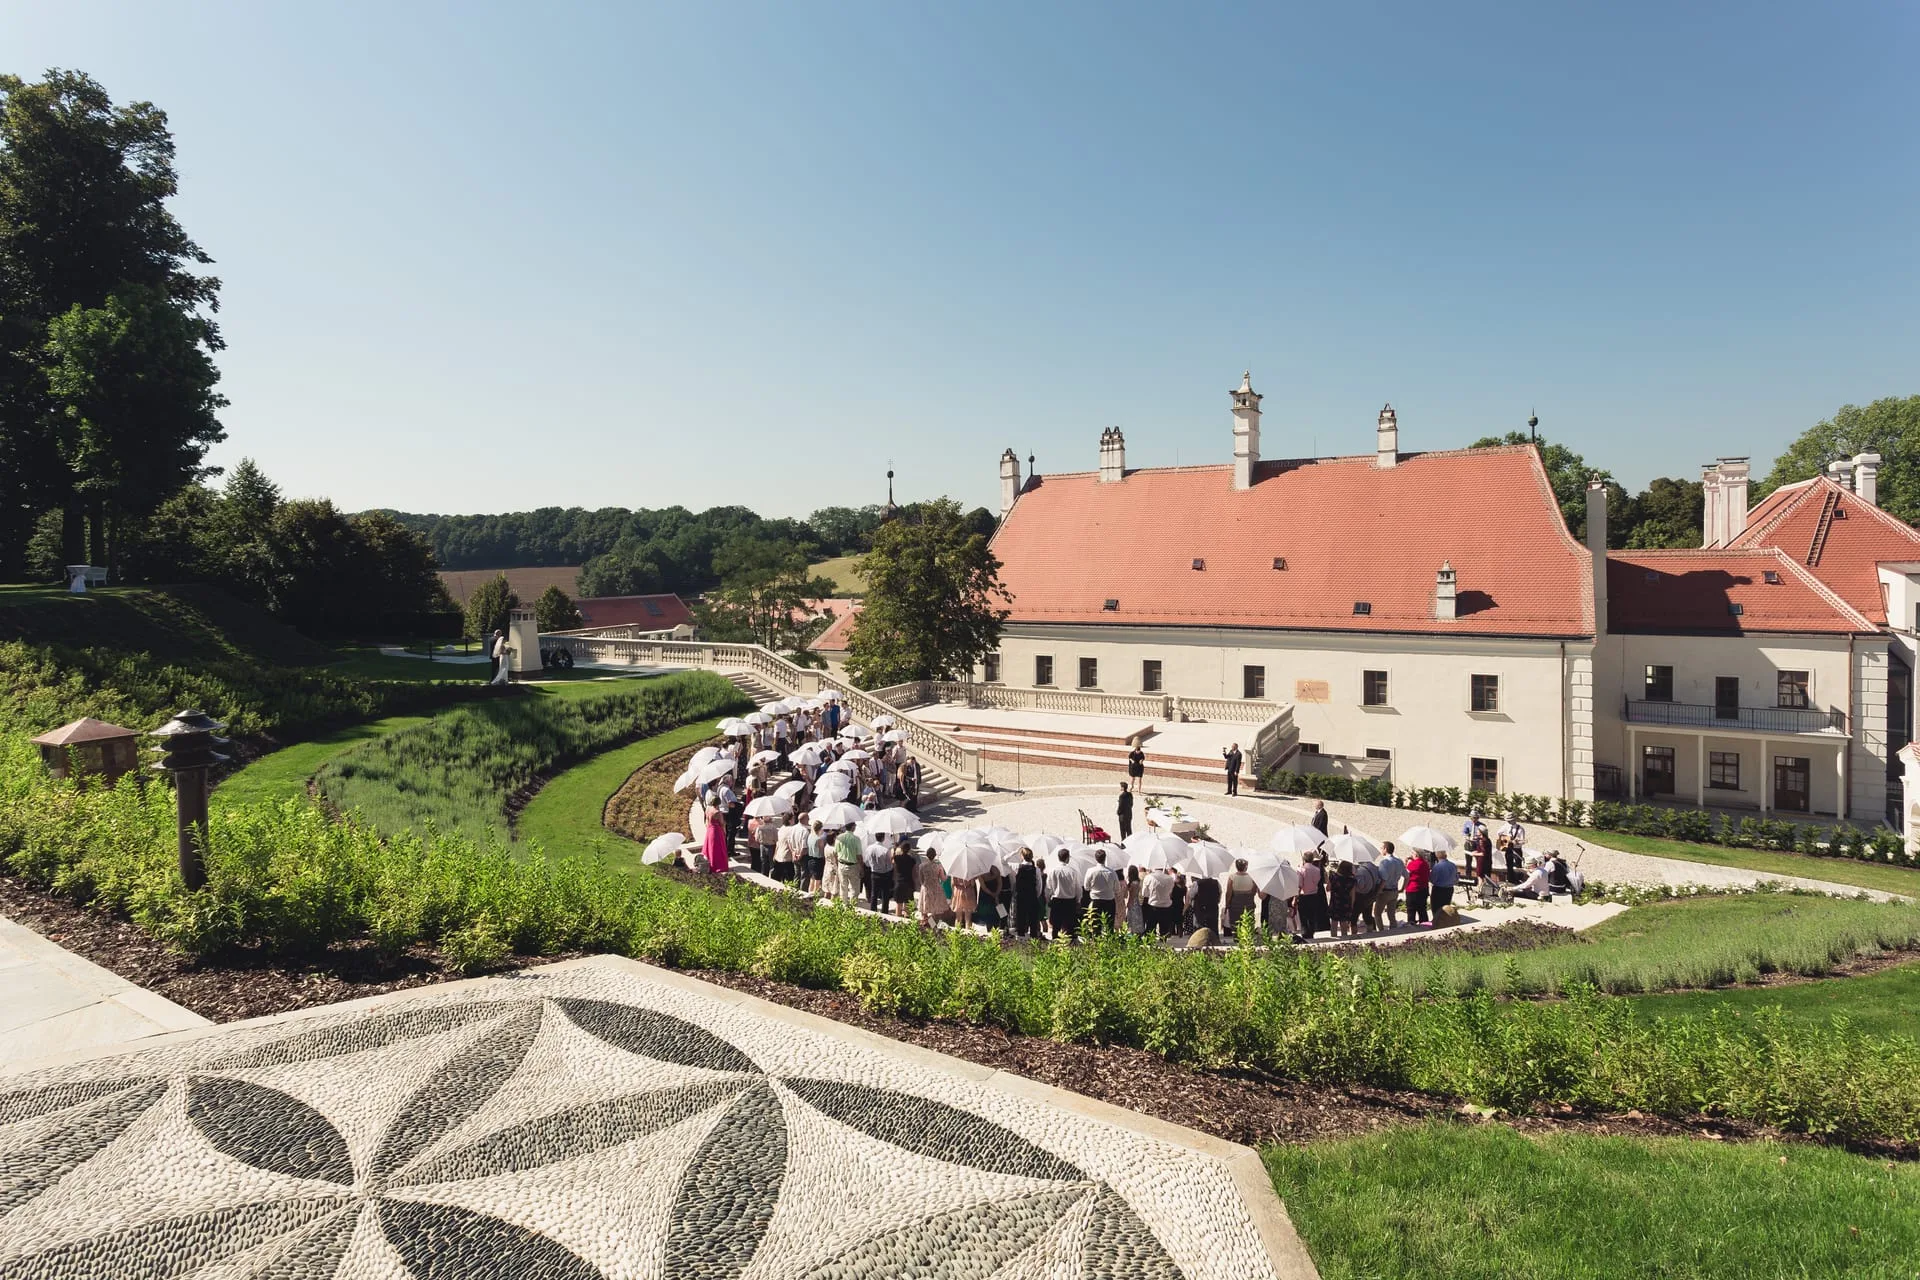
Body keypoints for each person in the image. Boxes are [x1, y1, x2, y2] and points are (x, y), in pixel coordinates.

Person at [1046, 849, 1083, 939]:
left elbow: (1048, 887)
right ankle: (1070, 945)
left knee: (1056, 926)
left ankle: (1055, 943)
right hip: (1069, 901)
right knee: (1069, 926)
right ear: (1067, 858)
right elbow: (1078, 888)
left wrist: (1048, 899)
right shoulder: (1073, 871)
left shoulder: (1053, 870)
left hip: (1057, 900)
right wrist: (1078, 900)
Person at [1083, 849, 1119, 932]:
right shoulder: (1112, 872)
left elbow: (1086, 887)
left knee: (1095, 926)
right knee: (1109, 926)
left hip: (1095, 901)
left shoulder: (1090, 871)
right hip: (1109, 901)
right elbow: (1117, 888)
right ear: (1105, 858)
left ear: (1095, 858)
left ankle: (1096, 943)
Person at [1012, 848, 1044, 938]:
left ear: (1022, 856)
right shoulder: (1036, 870)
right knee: (1033, 920)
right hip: (1032, 896)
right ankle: (1033, 939)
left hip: (1021, 896)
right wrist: (1036, 895)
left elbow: (1003, 861)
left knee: (1021, 919)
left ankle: (1021, 937)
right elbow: (1039, 885)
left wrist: (1015, 852)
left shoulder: (1017, 867)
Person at [1374, 841, 1406, 930]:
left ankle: (1381, 931)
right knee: (1391, 914)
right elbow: (1407, 876)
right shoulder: (1399, 861)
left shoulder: (1384, 862)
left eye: (1381, 848)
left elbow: (1384, 879)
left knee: (1377, 913)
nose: (1380, 850)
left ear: (1385, 849)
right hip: (1395, 890)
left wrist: (1378, 891)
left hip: (1385, 891)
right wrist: (1402, 888)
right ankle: (1393, 930)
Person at [1223, 859, 1260, 933]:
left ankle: (1237, 938)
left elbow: (1229, 893)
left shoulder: (1232, 877)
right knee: (1248, 921)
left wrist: (1227, 905)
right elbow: (1253, 892)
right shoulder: (1252, 877)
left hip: (1235, 903)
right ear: (1246, 867)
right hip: (1248, 902)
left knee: (1236, 922)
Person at [1143, 863, 1177, 937]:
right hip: (1166, 906)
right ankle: (1163, 943)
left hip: (1153, 905)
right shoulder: (1169, 878)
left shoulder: (1149, 877)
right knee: (1164, 930)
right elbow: (1170, 892)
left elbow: (1144, 894)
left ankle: (1149, 945)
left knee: (1150, 928)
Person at [915, 848, 948, 925]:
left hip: (926, 888)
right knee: (935, 910)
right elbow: (943, 879)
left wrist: (925, 884)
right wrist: (947, 875)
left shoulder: (922, 866)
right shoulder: (938, 866)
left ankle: (928, 925)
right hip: (936, 888)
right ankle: (933, 926)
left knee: (925, 910)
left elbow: (921, 879)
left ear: (926, 855)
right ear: (935, 855)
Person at [1296, 852, 1325, 939]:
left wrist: (1295, 897)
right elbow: (1317, 881)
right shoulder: (1317, 870)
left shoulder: (1301, 870)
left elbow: (1299, 885)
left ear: (1304, 859)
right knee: (1312, 915)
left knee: (1303, 916)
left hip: (1304, 895)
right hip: (1314, 894)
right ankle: (1311, 931)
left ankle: (1305, 933)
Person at [833, 825, 864, 904]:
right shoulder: (856, 839)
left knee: (843, 887)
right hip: (853, 865)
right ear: (853, 827)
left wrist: (837, 864)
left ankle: (844, 905)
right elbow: (859, 855)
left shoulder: (839, 837)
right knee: (854, 888)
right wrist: (861, 868)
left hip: (841, 864)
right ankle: (853, 907)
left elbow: (835, 852)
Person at [864, 833, 894, 911]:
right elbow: (889, 865)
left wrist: (873, 866)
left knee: (874, 893)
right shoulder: (885, 850)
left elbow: (866, 862)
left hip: (874, 873)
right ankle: (884, 910)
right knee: (885, 894)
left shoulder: (869, 848)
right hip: (884, 874)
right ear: (883, 838)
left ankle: (873, 910)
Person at [1326, 859, 1356, 938]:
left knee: (1334, 923)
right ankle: (1344, 938)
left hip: (1335, 902)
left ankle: (1334, 938)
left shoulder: (1333, 877)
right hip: (1346, 902)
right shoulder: (1352, 880)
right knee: (1344, 923)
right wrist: (1351, 905)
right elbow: (1352, 895)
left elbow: (1328, 888)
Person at [1350, 856, 1380, 933]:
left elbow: (1361, 885)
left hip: (1361, 896)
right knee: (1367, 915)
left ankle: (1353, 935)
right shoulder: (1373, 867)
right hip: (1371, 894)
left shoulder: (1360, 871)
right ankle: (1370, 932)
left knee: (1354, 917)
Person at [1189, 866, 1222, 934]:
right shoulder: (1216, 883)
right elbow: (1220, 892)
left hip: (1200, 908)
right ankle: (1214, 940)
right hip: (1213, 907)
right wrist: (1217, 900)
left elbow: (1191, 895)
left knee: (1200, 926)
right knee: (1213, 925)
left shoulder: (1197, 883)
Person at [1429, 847, 1459, 922]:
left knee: (1436, 908)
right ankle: (1445, 921)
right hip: (1449, 888)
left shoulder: (1437, 866)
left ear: (1437, 856)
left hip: (1439, 889)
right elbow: (1456, 878)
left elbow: (1433, 880)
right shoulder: (1453, 865)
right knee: (1446, 907)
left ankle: (1437, 922)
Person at [774, 816, 806, 883]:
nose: (794, 820)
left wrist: (775, 854)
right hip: (787, 856)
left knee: (780, 878)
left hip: (779, 855)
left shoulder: (781, 828)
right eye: (793, 819)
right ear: (789, 820)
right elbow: (790, 842)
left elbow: (778, 843)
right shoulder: (791, 829)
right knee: (788, 878)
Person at [1404, 847, 1431, 927]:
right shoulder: (1425, 863)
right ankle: (1424, 924)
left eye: (1412, 853)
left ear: (1416, 854)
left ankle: (1411, 924)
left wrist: (1407, 863)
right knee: (1422, 909)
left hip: (1413, 889)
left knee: (1411, 909)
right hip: (1424, 888)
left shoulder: (1413, 864)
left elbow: (1406, 874)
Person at [891, 843, 918, 916]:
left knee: (898, 905)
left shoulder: (897, 858)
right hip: (909, 883)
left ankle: (897, 920)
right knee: (907, 905)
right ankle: (907, 921)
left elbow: (892, 861)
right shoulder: (912, 860)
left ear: (901, 849)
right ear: (909, 849)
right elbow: (914, 873)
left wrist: (894, 850)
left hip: (899, 882)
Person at [702, 805, 730, 875]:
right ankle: (718, 866)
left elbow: (706, 820)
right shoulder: (718, 812)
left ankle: (710, 864)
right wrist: (724, 831)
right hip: (716, 831)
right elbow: (722, 823)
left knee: (710, 848)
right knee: (718, 848)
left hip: (710, 830)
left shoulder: (708, 809)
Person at [804, 820, 827, 894]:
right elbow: (822, 851)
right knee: (817, 880)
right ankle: (815, 895)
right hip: (818, 860)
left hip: (810, 859)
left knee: (812, 879)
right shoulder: (819, 839)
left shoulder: (810, 836)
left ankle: (809, 892)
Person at [1123, 864, 1146, 934]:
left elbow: (1129, 895)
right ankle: (1138, 932)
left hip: (1132, 902)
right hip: (1137, 902)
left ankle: (1132, 932)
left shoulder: (1132, 883)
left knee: (1131, 919)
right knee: (1137, 918)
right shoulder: (1138, 882)